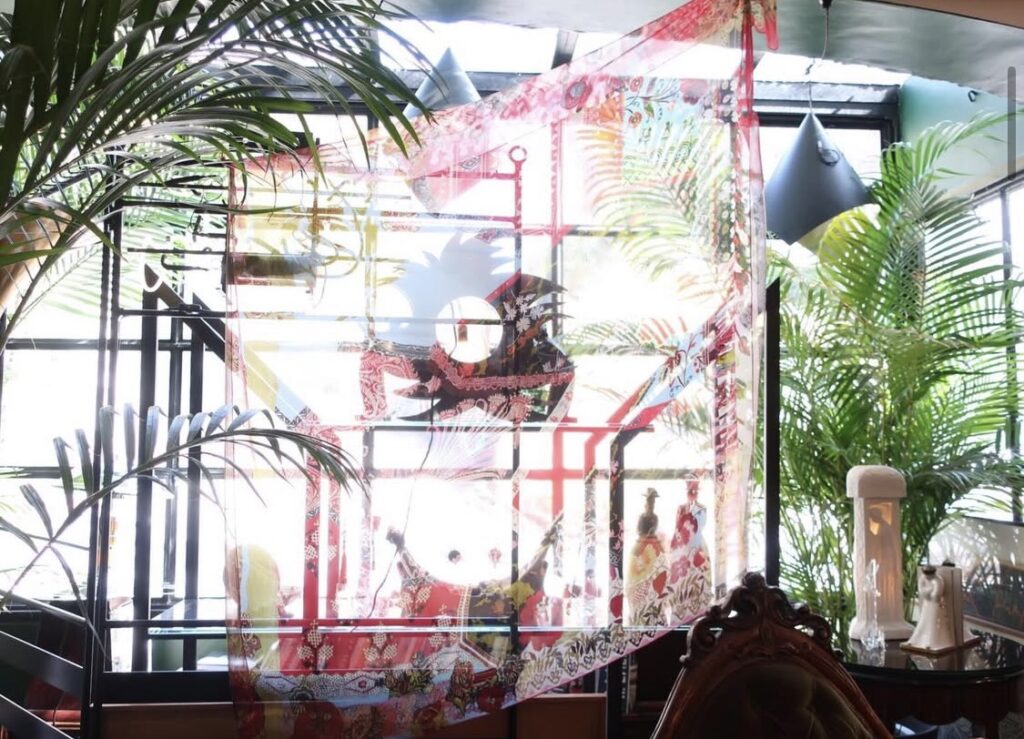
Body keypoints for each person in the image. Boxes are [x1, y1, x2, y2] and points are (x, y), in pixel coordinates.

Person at [669, 479, 711, 623]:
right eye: (690, 491)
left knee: (699, 578)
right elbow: (677, 528)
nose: (692, 493)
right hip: (684, 546)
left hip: (698, 544)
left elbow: (701, 526)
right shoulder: (681, 508)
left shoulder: (703, 508)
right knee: (683, 580)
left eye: (695, 491)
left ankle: (699, 614)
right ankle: (681, 615)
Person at [626, 487, 669, 625]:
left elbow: (653, 530)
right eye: (650, 500)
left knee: (657, 574)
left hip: (652, 544)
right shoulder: (642, 517)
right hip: (643, 544)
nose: (651, 503)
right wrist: (646, 535)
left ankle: (653, 609)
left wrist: (651, 534)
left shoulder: (655, 517)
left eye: (653, 500)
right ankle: (639, 610)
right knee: (639, 576)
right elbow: (639, 530)